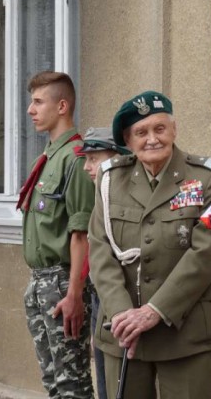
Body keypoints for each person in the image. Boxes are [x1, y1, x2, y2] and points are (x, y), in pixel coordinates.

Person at [88, 91, 211, 399]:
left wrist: (155, 311)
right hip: (124, 333)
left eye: (159, 128)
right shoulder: (111, 179)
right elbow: (100, 251)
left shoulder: (206, 177)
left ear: (174, 130)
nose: (152, 139)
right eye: (141, 132)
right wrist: (122, 314)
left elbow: (205, 253)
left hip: (186, 332)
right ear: (128, 140)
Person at [19, 71, 95, 398]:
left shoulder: (76, 159)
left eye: (38, 102)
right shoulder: (48, 158)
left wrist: (75, 292)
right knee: (53, 382)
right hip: (40, 282)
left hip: (64, 282)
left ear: (62, 106)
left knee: (72, 383)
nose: (30, 110)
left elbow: (83, 234)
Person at [80, 127, 130, 399]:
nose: (88, 167)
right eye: (86, 159)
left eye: (94, 158)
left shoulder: (127, 195)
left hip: (122, 301)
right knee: (105, 378)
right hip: (101, 296)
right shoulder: (102, 194)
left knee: (123, 380)